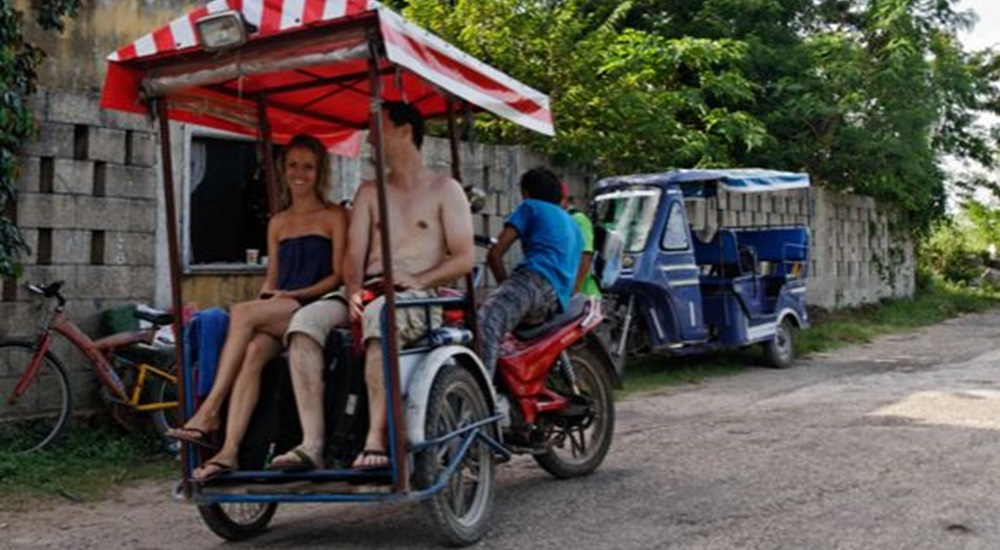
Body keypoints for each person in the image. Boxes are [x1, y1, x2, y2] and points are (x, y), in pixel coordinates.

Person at [269, 101, 474, 471]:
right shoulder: (368, 191)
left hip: (417, 296)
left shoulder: (446, 190)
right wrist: (351, 291)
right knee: (304, 324)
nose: (371, 141)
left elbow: (463, 258)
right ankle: (311, 443)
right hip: (370, 288)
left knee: (381, 315)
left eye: (378, 129)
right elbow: (354, 256)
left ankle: (375, 438)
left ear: (404, 131)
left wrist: (419, 280)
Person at [167, 134, 349, 482]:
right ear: (283, 169)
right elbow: (271, 277)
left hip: (315, 305)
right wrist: (270, 295)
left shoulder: (333, 216)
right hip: (281, 307)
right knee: (252, 350)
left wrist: (289, 294)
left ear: (319, 171)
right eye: (293, 165)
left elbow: (337, 276)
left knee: (241, 313)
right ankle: (229, 451)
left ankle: (210, 411)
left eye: (308, 167)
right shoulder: (278, 221)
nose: (300, 173)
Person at [478, 167, 583, 376]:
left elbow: (495, 255)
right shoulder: (572, 224)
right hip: (556, 300)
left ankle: (483, 401)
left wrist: (505, 285)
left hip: (533, 281)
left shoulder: (530, 207)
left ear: (526, 192)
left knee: (485, 325)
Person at [562, 184, 601, 298]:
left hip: (583, 295)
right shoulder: (562, 220)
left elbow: (585, 256)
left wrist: (575, 289)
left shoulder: (579, 220)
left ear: (564, 200)